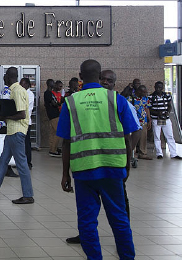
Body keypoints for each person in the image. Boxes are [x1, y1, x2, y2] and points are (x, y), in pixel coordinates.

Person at [58, 60, 138, 259]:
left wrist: (65, 173)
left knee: (87, 222)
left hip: (84, 171)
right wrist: (126, 165)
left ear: (80, 76)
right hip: (113, 169)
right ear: (100, 75)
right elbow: (128, 136)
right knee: (119, 219)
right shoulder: (116, 99)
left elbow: (66, 142)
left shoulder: (71, 102)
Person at [0, 67, 34, 204]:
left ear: (9, 77)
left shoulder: (17, 90)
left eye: (5, 76)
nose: (3, 78)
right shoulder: (14, 90)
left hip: (17, 131)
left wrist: (5, 116)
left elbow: (22, 114)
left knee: (21, 163)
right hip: (11, 131)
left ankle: (28, 195)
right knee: (3, 161)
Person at [149, 81, 181, 160]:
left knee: (170, 136)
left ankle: (173, 153)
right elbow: (149, 109)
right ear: (154, 87)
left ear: (162, 88)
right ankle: (159, 153)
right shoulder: (151, 97)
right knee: (157, 136)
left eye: (160, 87)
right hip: (156, 119)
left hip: (165, 119)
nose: (158, 89)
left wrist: (167, 112)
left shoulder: (167, 95)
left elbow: (169, 105)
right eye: (157, 87)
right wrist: (157, 113)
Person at [128, 85, 153, 160]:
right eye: (144, 92)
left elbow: (147, 108)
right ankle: (133, 154)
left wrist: (149, 119)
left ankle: (143, 153)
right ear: (139, 91)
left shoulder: (145, 98)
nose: (146, 93)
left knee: (143, 138)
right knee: (133, 138)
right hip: (134, 121)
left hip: (143, 121)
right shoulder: (130, 98)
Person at [44, 79, 61, 157]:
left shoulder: (50, 93)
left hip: (53, 114)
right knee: (58, 132)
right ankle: (53, 150)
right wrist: (59, 103)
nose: (54, 84)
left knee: (52, 132)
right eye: (53, 83)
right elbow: (54, 103)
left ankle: (52, 148)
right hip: (53, 115)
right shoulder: (47, 93)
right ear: (49, 84)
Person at [19, 78, 34, 169]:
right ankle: (22, 162)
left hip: (26, 122)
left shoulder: (30, 94)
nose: (21, 86)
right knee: (21, 144)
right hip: (21, 121)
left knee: (26, 143)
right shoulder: (22, 93)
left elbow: (25, 108)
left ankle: (28, 162)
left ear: (28, 85)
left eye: (23, 84)